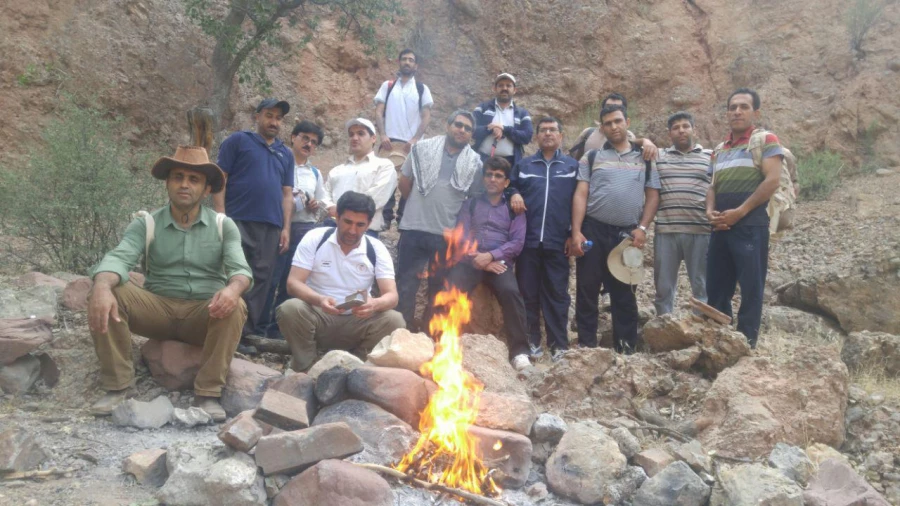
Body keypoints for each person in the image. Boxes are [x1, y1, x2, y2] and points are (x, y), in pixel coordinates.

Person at [87, 146, 253, 421]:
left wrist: (233, 289)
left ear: (206, 190)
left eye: (194, 179)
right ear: (168, 183)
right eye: (178, 177)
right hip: (157, 311)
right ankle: (118, 387)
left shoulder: (225, 226)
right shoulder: (147, 223)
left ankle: (208, 393)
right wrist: (101, 286)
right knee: (109, 289)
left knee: (236, 305)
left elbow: (241, 270)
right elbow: (120, 256)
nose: (184, 184)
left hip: (204, 312)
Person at [276, 192, 405, 372]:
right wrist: (319, 300)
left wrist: (374, 304)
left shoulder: (376, 249)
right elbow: (293, 283)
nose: (352, 230)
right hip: (318, 315)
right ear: (337, 217)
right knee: (290, 308)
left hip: (357, 320)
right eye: (347, 222)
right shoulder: (316, 238)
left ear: (368, 224)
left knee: (394, 320)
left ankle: (356, 367)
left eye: (360, 225)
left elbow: (391, 295)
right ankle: (306, 365)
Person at [571, 104, 660, 354]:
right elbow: (581, 194)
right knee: (587, 289)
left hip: (626, 235)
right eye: (608, 123)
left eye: (618, 121)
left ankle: (625, 348)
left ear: (627, 122)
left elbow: (653, 196)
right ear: (602, 128)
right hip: (593, 230)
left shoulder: (645, 159)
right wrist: (576, 231)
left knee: (624, 291)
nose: (614, 126)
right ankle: (587, 348)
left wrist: (643, 227)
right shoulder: (592, 158)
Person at [706, 88, 783, 348]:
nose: (737, 111)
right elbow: (712, 186)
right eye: (732, 107)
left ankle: (747, 344)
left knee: (751, 288)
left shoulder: (766, 140)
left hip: (750, 226)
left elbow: (773, 180)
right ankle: (718, 342)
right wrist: (709, 211)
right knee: (716, 287)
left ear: (755, 112)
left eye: (743, 107)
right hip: (719, 227)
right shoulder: (719, 149)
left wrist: (740, 212)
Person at [396, 110, 484, 332]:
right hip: (413, 228)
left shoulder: (474, 163)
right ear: (448, 125)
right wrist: (418, 207)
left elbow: (472, 199)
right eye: (458, 124)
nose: (461, 130)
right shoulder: (421, 150)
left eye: (467, 128)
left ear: (471, 135)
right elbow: (405, 182)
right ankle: (402, 332)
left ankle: (428, 336)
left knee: (438, 288)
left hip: (446, 235)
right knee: (406, 284)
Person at [215, 98, 294, 340]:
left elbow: (287, 193)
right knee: (233, 274)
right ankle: (224, 329)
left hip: (271, 226)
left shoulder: (285, 153)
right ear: (257, 116)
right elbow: (220, 178)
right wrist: (220, 215)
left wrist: (285, 228)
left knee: (261, 279)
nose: (274, 122)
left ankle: (245, 334)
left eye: (278, 118)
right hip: (238, 219)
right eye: (269, 115)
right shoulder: (239, 141)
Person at [447, 157, 530, 370]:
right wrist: (480, 260)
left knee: (511, 293)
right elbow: (461, 236)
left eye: (498, 176)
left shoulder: (515, 209)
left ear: (506, 182)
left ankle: (520, 352)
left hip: (499, 263)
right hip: (470, 261)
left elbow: (517, 242)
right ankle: (443, 341)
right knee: (451, 288)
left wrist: (491, 256)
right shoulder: (471, 203)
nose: (492, 179)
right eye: (489, 174)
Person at [509, 117, 579, 361]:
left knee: (557, 294)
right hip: (527, 242)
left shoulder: (572, 167)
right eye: (543, 130)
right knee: (527, 293)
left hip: (558, 242)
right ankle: (532, 341)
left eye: (553, 130)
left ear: (561, 136)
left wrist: (573, 233)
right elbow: (509, 186)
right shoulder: (525, 165)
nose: (548, 134)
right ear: (536, 137)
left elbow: (579, 203)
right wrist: (515, 192)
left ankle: (558, 344)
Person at [259, 120, 325, 338]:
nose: (309, 144)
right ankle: (259, 324)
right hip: (278, 227)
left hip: (304, 230)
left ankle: (278, 329)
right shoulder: (278, 162)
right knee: (271, 276)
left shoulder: (315, 173)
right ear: (293, 138)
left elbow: (321, 205)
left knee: (292, 280)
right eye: (305, 138)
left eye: (314, 142)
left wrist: (314, 204)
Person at [653, 111, 712, 315]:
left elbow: (717, 189)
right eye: (676, 128)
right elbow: (633, 142)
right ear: (670, 133)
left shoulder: (710, 156)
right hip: (666, 231)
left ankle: (700, 329)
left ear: (693, 129)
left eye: (685, 126)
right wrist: (645, 142)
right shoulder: (659, 156)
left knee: (702, 285)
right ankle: (663, 326)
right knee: (663, 286)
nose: (681, 131)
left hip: (701, 229)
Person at [374, 48, 434, 229]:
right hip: (389, 140)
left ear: (416, 65)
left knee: (410, 182)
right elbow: (378, 111)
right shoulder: (388, 86)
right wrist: (382, 134)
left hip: (412, 144)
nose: (407, 62)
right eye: (404, 59)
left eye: (411, 60)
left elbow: (426, 116)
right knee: (386, 180)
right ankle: (384, 219)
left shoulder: (421, 88)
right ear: (399, 62)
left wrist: (415, 139)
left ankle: (403, 220)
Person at [321, 118, 396, 235]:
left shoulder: (384, 166)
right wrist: (331, 207)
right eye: (351, 135)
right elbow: (324, 195)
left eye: (361, 133)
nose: (355, 138)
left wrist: (341, 211)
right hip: (332, 228)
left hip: (364, 232)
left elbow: (376, 198)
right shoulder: (337, 170)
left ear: (373, 138)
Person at [569, 93, 658, 162]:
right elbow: (572, 158)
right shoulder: (588, 133)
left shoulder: (629, 135)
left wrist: (645, 141)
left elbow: (634, 145)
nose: (612, 110)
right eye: (608, 107)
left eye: (618, 107)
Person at [472, 73, 533, 167]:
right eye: (500, 85)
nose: (504, 88)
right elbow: (471, 130)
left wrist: (504, 129)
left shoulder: (522, 113)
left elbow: (527, 136)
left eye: (508, 85)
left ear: (515, 90)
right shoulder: (482, 108)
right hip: (482, 160)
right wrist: (490, 128)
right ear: (494, 89)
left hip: (511, 163)